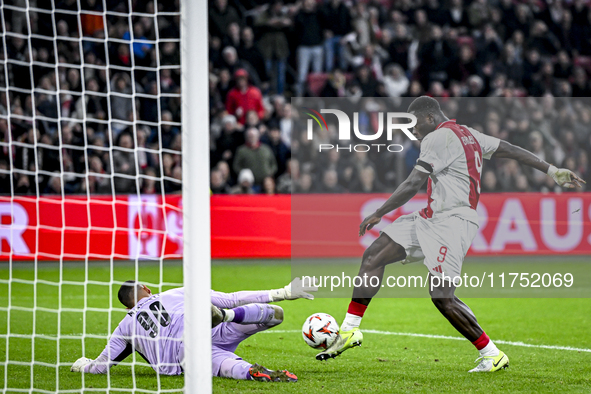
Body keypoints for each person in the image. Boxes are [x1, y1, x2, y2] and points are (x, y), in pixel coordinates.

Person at [316, 96, 585, 372]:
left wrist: (379, 212)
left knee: (442, 297)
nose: (414, 131)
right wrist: (552, 170)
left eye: (416, 124)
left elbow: (412, 183)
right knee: (374, 254)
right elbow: (511, 149)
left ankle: (491, 354)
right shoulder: (469, 134)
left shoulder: (436, 138)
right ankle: (350, 330)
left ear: (430, 118)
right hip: (431, 217)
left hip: (453, 223)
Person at [71, 278, 316, 382]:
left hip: (184, 356)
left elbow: (101, 366)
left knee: (224, 366)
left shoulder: (124, 326)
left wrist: (82, 364)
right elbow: (231, 297)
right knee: (275, 315)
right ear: (146, 288)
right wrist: (282, 293)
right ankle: (227, 318)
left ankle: (252, 372)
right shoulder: (173, 293)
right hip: (212, 328)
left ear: (127, 305)